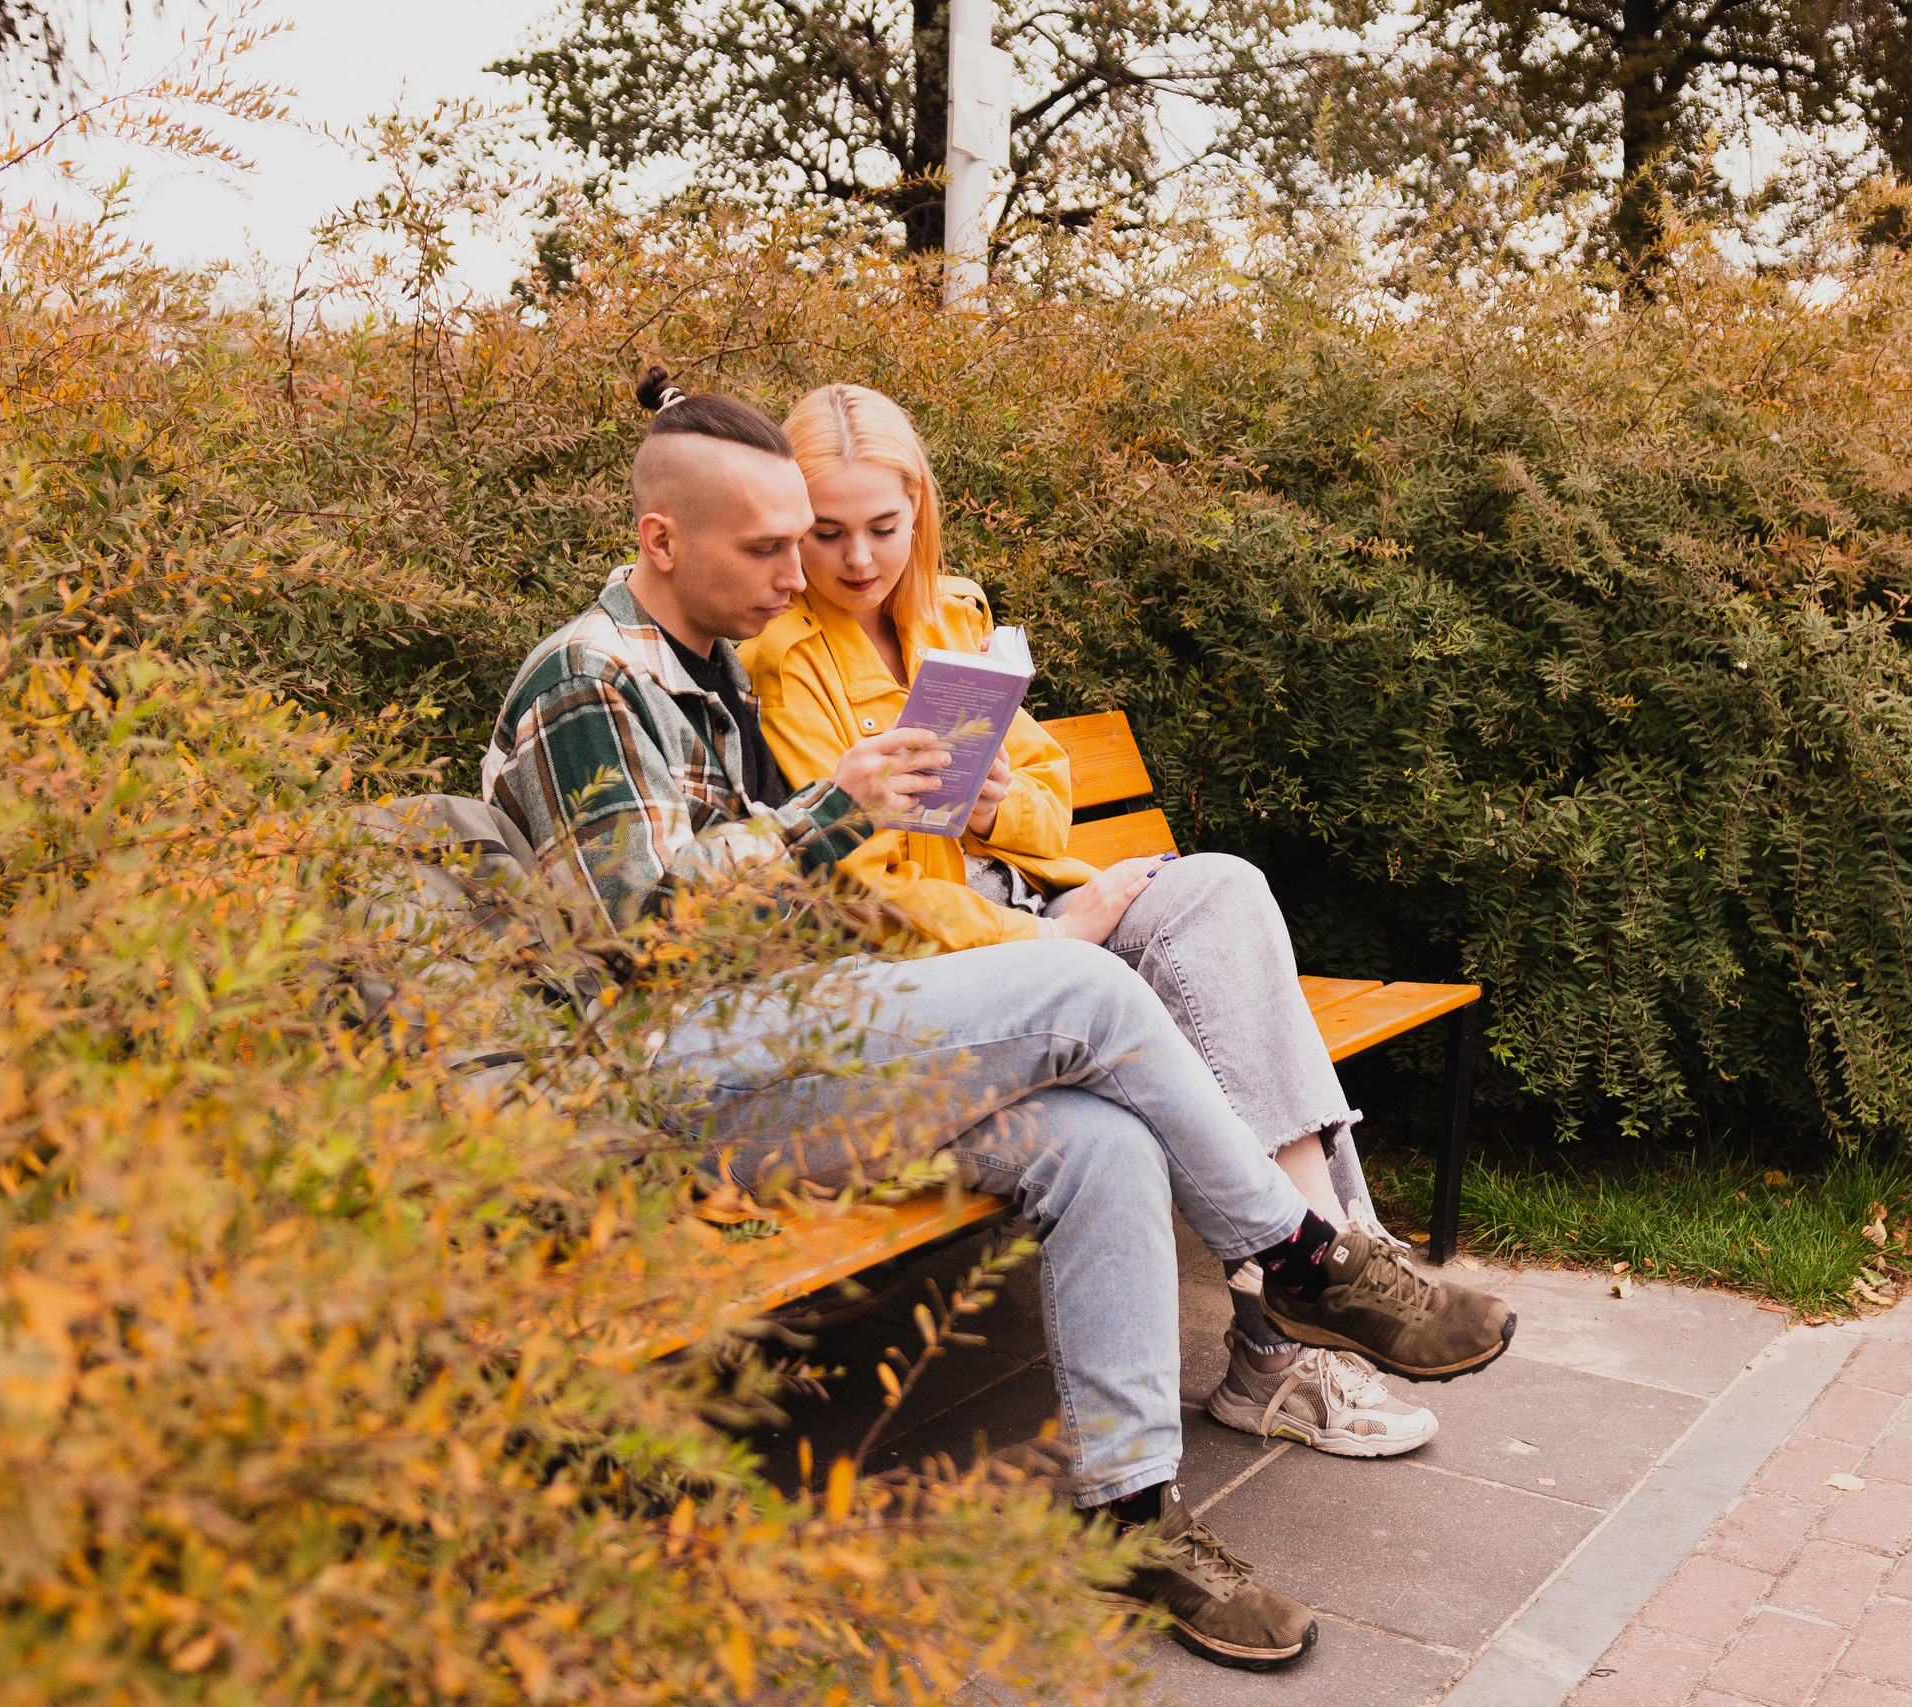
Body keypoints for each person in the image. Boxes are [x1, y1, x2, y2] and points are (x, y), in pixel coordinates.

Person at [481, 368, 1517, 1672]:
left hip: (801, 1042)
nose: (800, 576)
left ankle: (1131, 1511)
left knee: (1100, 1141)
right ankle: (1298, 1254)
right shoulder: (588, 681)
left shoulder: (712, 664)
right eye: (773, 547)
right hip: (663, 1085)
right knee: (1085, 986)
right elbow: (642, 936)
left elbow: (834, 892)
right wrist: (846, 815)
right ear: (660, 538)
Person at [742, 382, 1441, 1461]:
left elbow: (1043, 787)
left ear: (919, 508)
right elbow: (860, 885)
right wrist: (1043, 941)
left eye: (883, 527)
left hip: (1031, 898)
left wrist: (994, 807)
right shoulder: (786, 659)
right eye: (826, 533)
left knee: (1223, 888)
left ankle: (1318, 1264)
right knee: (1221, 1003)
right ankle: (1308, 1300)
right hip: (962, 955)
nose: (858, 558)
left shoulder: (949, 614)